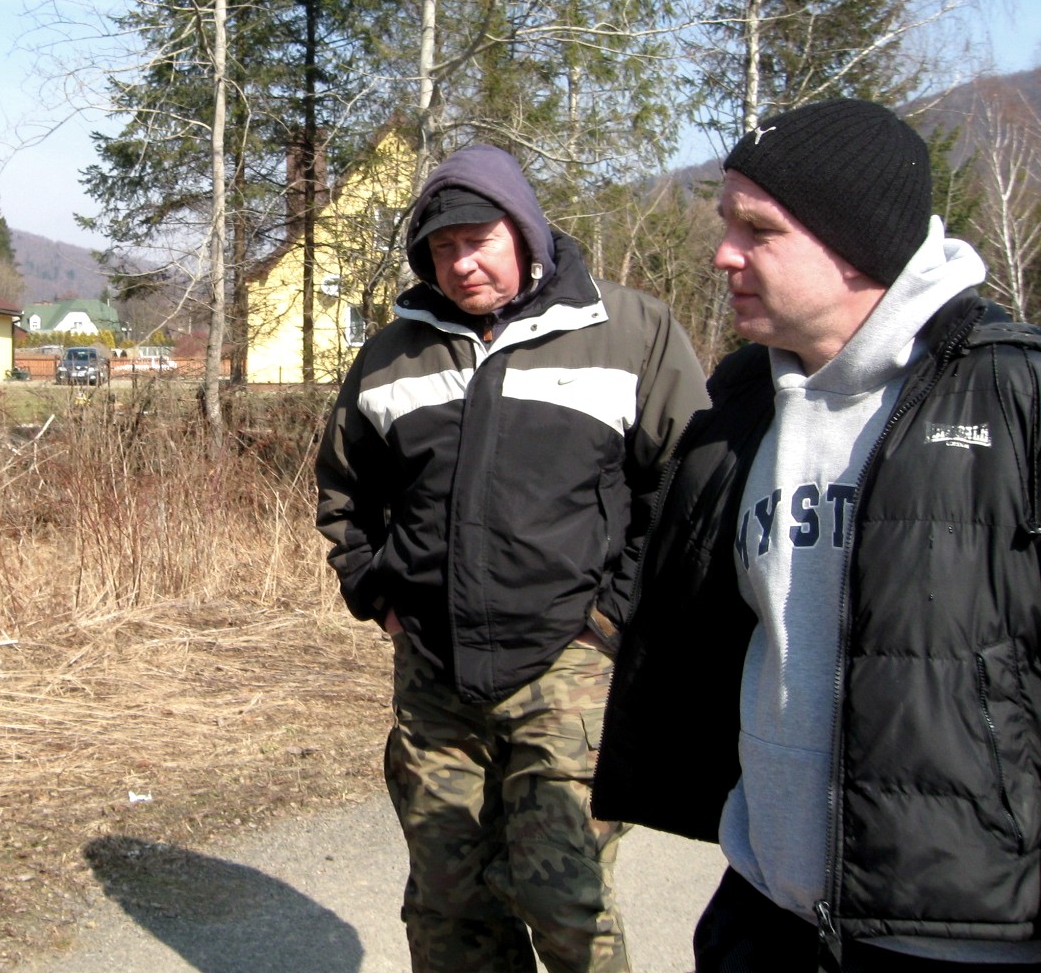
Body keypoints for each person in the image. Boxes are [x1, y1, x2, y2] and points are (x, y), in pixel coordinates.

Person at [593, 97, 1041, 971]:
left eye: (759, 229)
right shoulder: (739, 403)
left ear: (857, 243)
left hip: (958, 937)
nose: (724, 253)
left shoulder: (1013, 397)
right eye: (726, 223)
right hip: (765, 914)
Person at [315, 143, 708, 973]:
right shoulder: (391, 356)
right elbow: (346, 492)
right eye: (442, 248)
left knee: (567, 903)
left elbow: (687, 487)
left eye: (478, 240)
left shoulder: (628, 331)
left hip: (570, 666)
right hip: (434, 677)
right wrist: (378, 592)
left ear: (524, 232)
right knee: (448, 906)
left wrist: (611, 617)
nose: (461, 263)